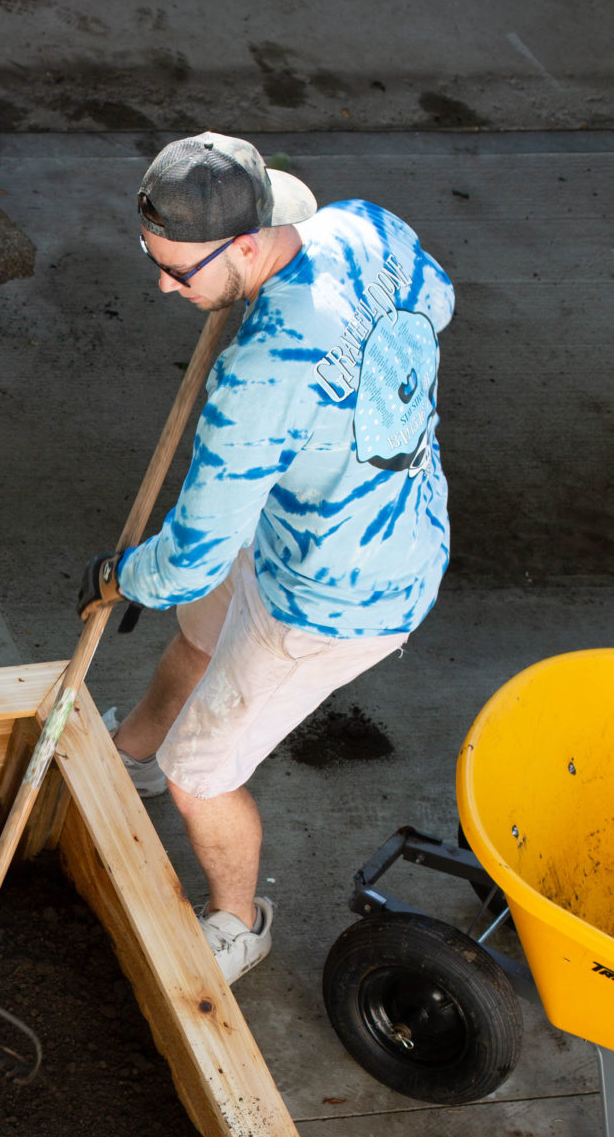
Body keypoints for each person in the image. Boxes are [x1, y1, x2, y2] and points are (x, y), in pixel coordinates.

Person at [78, 132, 454, 985]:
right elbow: (439, 302)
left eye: (179, 273)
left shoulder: (258, 379)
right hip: (304, 512)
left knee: (201, 773)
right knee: (201, 636)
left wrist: (114, 575)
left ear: (247, 244)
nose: (164, 285)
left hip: (336, 592)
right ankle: (130, 752)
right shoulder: (366, 230)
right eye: (155, 260)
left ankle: (238, 924)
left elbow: (184, 561)